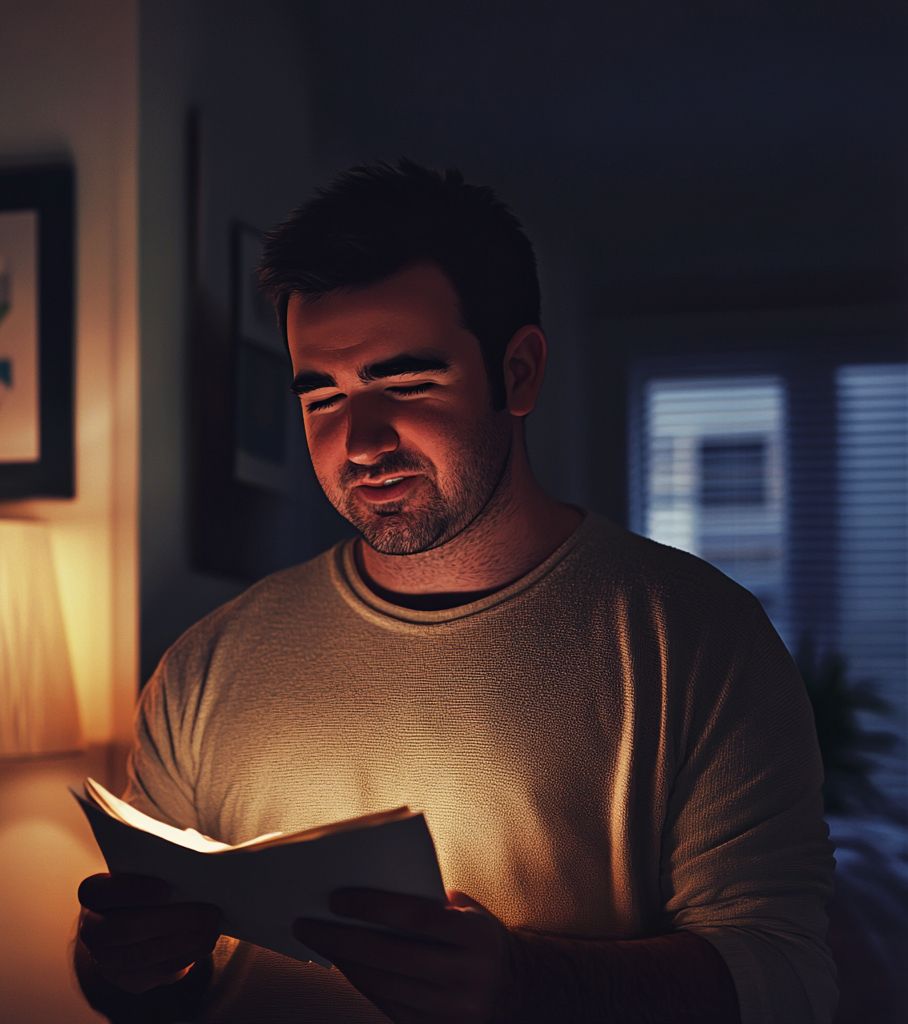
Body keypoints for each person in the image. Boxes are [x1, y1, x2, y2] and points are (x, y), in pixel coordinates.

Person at [75, 160, 836, 1023]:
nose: (358, 442)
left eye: (404, 383)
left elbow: (786, 980)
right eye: (322, 395)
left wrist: (524, 981)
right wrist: (127, 965)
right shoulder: (208, 664)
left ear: (518, 373)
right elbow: (133, 992)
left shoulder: (693, 639)